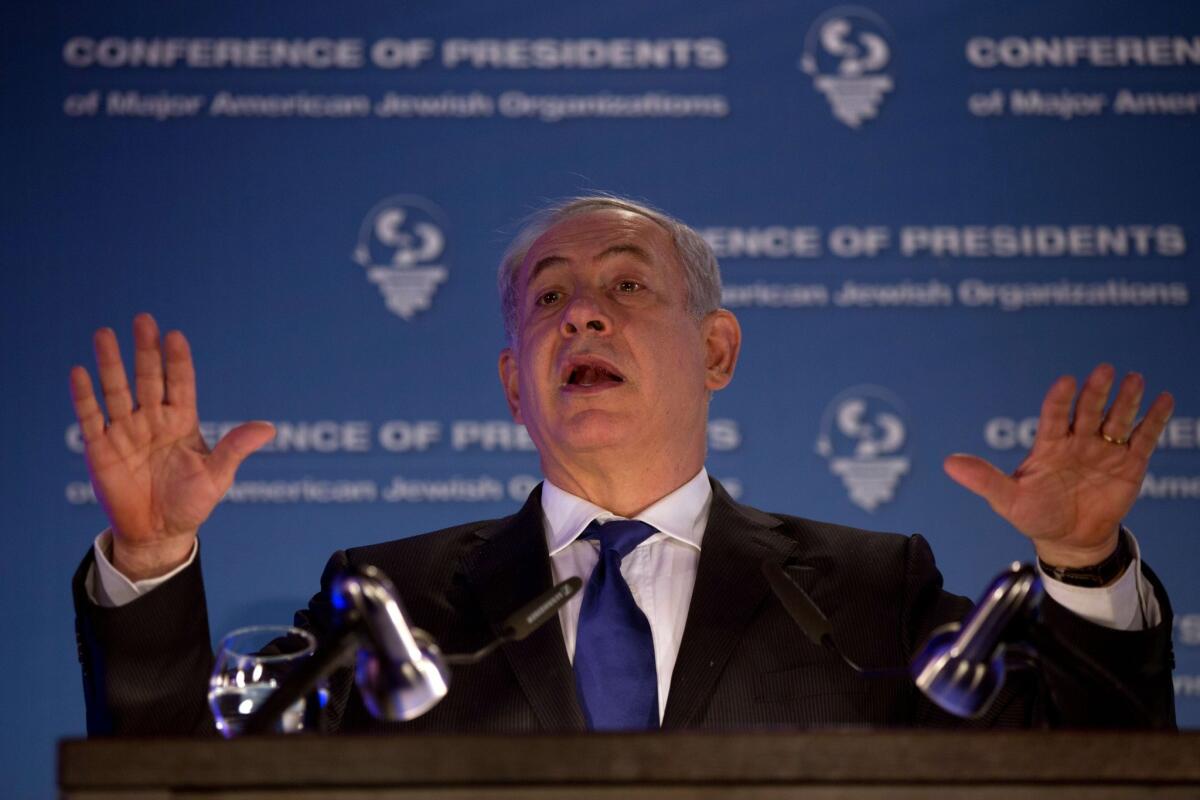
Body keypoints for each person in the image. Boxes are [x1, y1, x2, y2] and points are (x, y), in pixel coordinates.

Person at [71, 196, 1177, 735]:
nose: (582, 314)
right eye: (548, 298)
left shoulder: (866, 587)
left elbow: (1091, 765)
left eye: (625, 285)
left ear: (717, 349)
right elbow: (185, 783)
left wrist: (1082, 566)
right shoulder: (387, 599)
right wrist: (154, 559)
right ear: (514, 382)